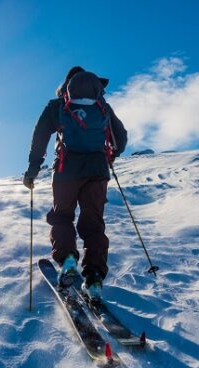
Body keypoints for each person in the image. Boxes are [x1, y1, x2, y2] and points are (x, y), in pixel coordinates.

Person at [23, 66, 127, 301]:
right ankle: (94, 278)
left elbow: (40, 136)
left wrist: (33, 168)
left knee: (62, 216)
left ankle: (68, 259)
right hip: (98, 172)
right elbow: (120, 137)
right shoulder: (103, 107)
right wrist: (112, 153)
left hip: (66, 172)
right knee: (93, 225)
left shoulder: (57, 106)